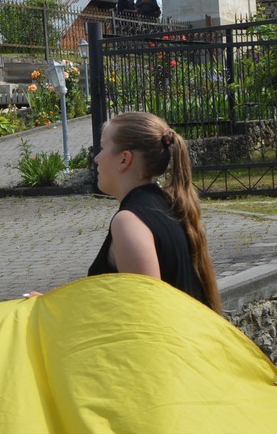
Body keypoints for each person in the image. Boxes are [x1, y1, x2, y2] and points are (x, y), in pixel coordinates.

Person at [87, 110, 220, 309]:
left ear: (124, 159)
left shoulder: (129, 222)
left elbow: (146, 313)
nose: (96, 158)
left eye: (102, 147)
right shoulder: (169, 204)